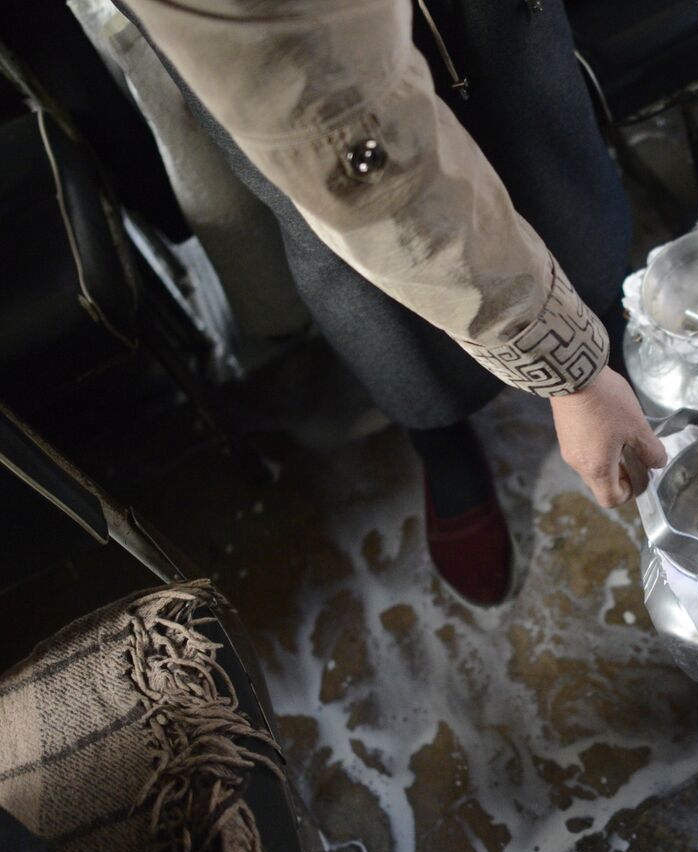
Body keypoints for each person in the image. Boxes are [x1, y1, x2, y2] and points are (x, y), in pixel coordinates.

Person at [118, 0, 668, 605]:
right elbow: (358, 158)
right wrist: (574, 378)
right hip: (287, 59)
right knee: (355, 251)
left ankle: (606, 335)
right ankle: (443, 440)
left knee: (543, 139)